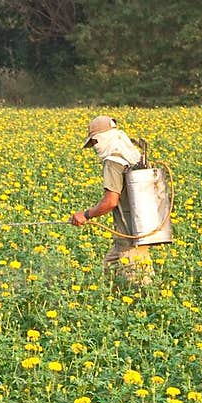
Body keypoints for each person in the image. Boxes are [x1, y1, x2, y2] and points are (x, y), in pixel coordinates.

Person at [70, 114, 153, 287]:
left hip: (130, 236)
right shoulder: (132, 156)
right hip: (135, 232)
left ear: (102, 138)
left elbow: (111, 201)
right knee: (110, 273)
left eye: (94, 142)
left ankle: (142, 305)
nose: (94, 147)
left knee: (139, 286)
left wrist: (86, 215)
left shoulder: (113, 162)